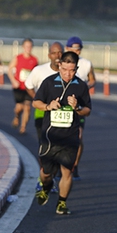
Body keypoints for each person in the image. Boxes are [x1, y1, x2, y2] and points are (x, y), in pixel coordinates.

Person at [32, 51, 92, 215]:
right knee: (46, 173)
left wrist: (78, 108)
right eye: (65, 69)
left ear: (76, 68)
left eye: (72, 70)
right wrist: (48, 106)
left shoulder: (80, 86)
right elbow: (35, 102)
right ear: (59, 66)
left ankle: (62, 203)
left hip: (70, 137)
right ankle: (46, 186)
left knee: (67, 171)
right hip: (50, 137)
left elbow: (88, 110)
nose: (68, 74)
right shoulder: (49, 83)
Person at [65, 36, 96, 180]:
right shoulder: (64, 63)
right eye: (73, 49)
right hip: (64, 105)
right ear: (67, 49)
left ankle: (74, 165)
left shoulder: (86, 64)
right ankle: (62, 164)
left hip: (80, 104)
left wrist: (84, 88)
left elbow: (92, 79)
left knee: (78, 135)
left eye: (78, 49)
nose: (76, 51)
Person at [25, 42, 63, 141]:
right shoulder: (39, 70)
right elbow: (28, 85)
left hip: (63, 114)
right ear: (49, 55)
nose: (57, 55)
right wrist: (37, 99)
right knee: (44, 145)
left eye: (60, 52)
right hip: (42, 112)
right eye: (54, 53)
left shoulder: (68, 72)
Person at [7, 38, 39, 134]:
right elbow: (9, 70)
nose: (28, 48)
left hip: (29, 88)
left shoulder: (34, 60)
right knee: (19, 108)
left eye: (30, 46)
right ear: (23, 47)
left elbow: (36, 73)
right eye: (26, 46)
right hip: (18, 87)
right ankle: (17, 116)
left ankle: (23, 127)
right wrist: (13, 81)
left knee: (27, 107)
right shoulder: (18, 58)